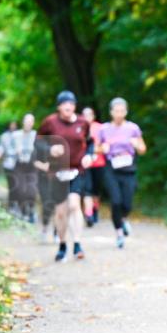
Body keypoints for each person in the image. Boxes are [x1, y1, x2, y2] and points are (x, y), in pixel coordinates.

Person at [38, 90, 91, 262]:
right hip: (57, 172)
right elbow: (37, 141)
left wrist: (88, 155)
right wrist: (49, 150)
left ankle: (77, 244)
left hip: (76, 170)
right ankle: (62, 244)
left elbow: (90, 142)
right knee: (60, 212)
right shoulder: (50, 122)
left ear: (75, 106)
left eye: (72, 104)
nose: (68, 106)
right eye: (65, 104)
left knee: (75, 205)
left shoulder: (83, 123)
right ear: (59, 107)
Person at [98, 97, 145, 249]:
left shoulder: (133, 128)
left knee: (127, 203)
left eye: (122, 111)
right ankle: (119, 233)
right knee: (116, 201)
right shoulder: (104, 129)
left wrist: (136, 144)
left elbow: (143, 149)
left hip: (128, 169)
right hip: (111, 168)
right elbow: (97, 148)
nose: (119, 114)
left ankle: (123, 219)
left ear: (126, 112)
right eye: (116, 111)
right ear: (111, 112)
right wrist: (103, 148)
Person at [8, 114, 40, 222]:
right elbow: (8, 150)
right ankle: (24, 212)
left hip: (31, 166)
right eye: (27, 121)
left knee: (31, 190)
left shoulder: (36, 135)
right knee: (20, 190)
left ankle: (31, 210)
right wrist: (15, 152)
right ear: (23, 122)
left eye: (31, 121)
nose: (28, 123)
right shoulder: (15, 135)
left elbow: (40, 150)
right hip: (19, 165)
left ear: (33, 123)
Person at [80, 106, 106, 227]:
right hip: (85, 164)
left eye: (89, 115)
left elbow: (106, 147)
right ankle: (89, 214)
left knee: (96, 190)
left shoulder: (100, 128)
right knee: (87, 189)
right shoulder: (79, 127)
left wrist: (94, 150)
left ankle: (95, 210)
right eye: (84, 115)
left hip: (99, 164)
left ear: (93, 116)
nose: (87, 118)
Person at [0, 120, 19, 213]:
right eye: (11, 124)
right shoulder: (4, 136)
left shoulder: (20, 135)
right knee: (12, 185)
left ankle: (17, 204)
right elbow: (1, 147)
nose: (13, 126)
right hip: (8, 164)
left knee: (19, 185)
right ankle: (12, 205)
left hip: (19, 165)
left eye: (14, 125)